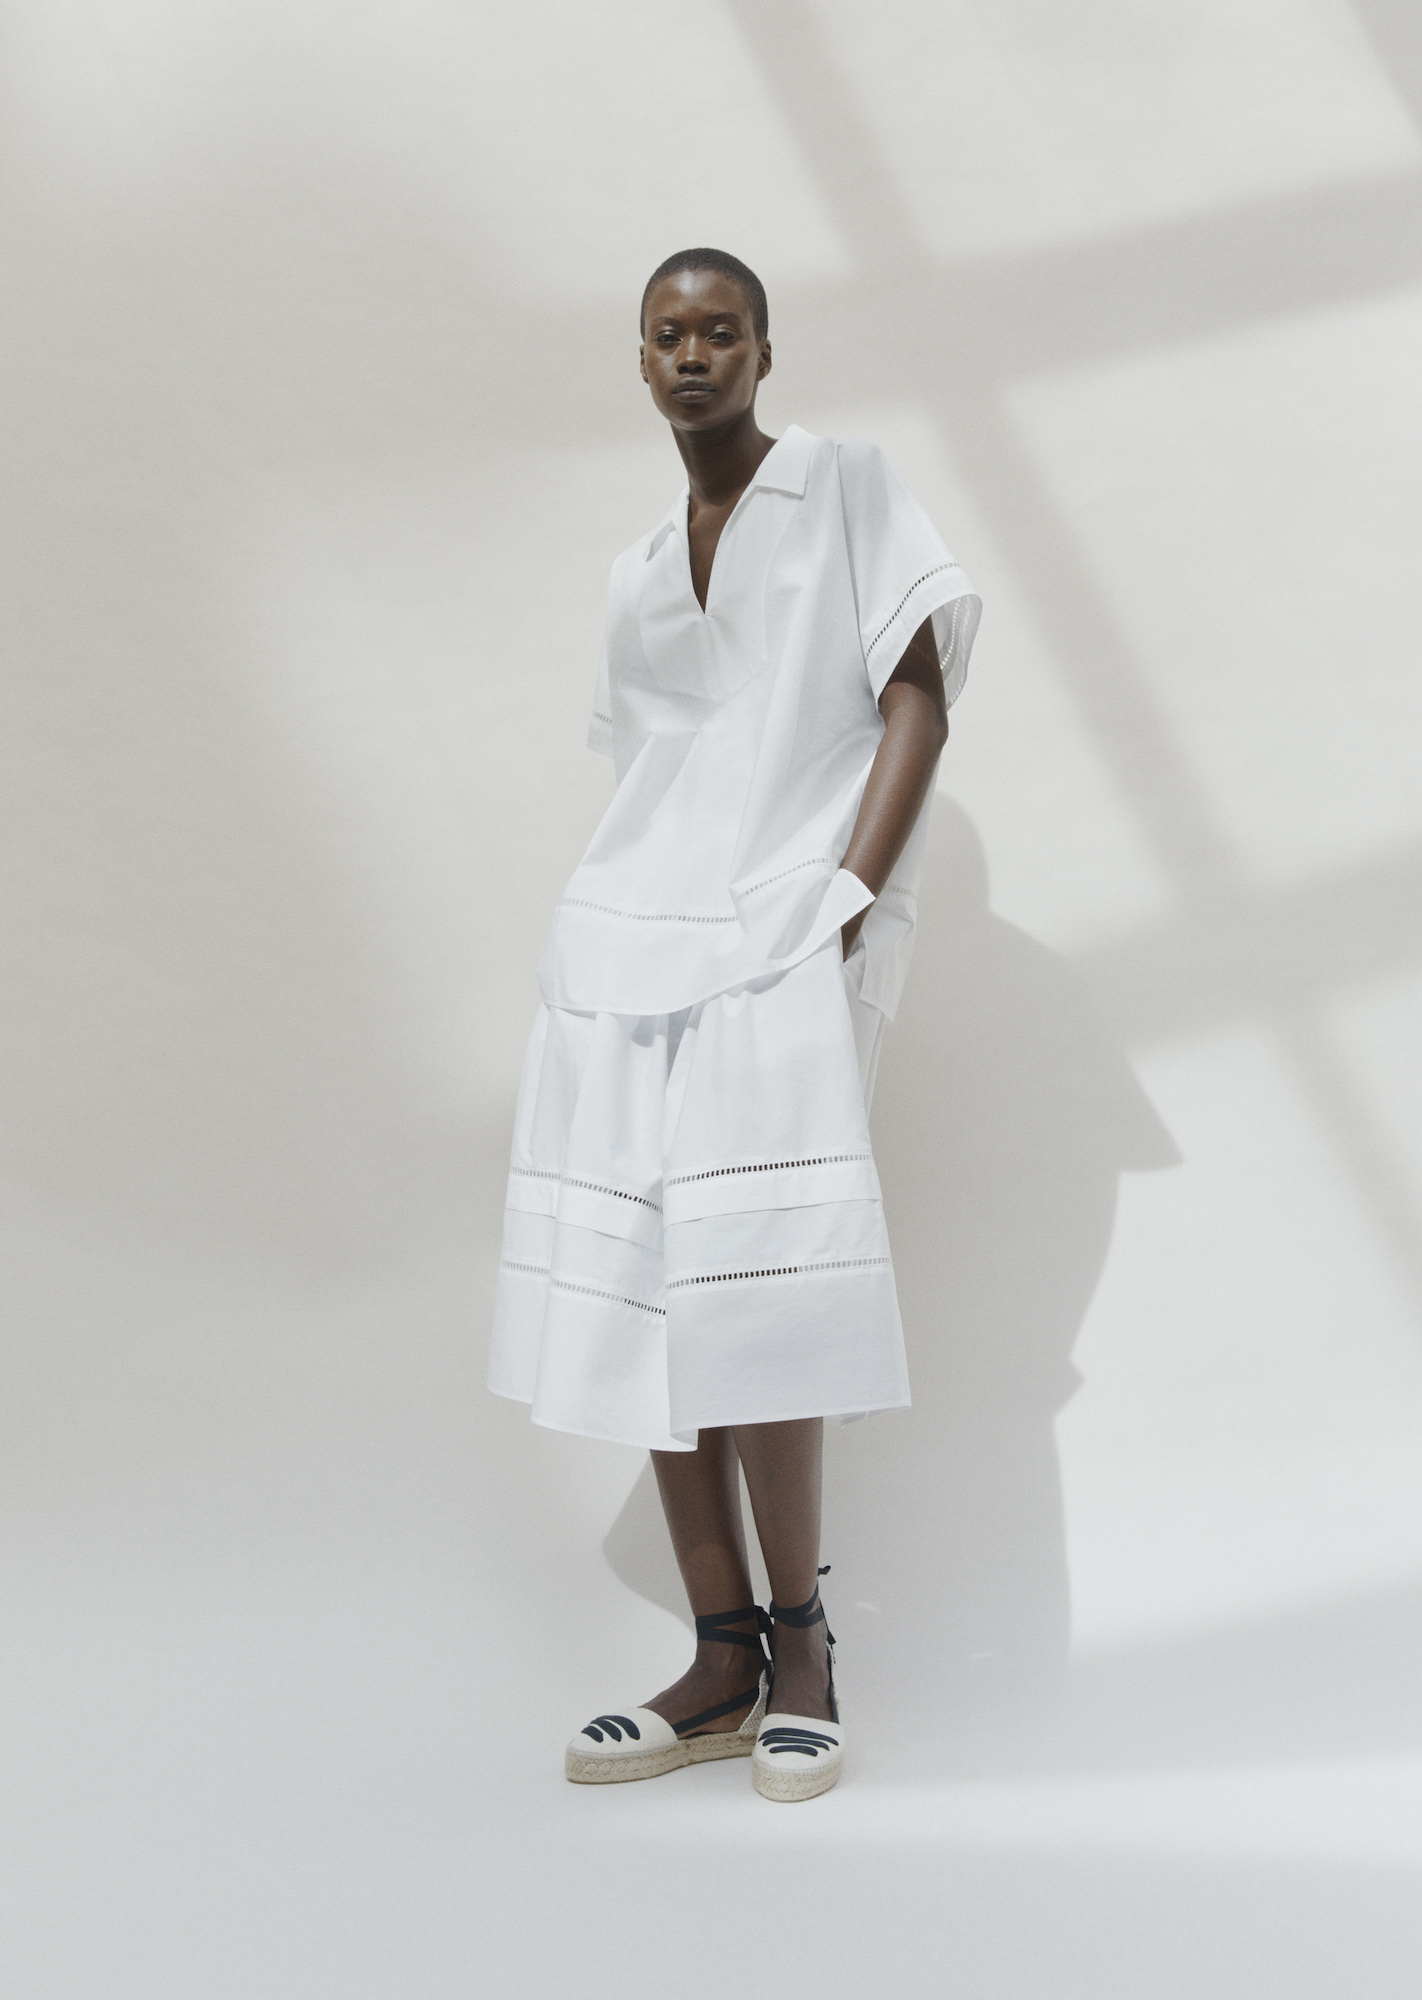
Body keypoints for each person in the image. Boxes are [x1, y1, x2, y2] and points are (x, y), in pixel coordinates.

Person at [489, 247, 979, 1801]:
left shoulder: (844, 487)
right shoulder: (637, 569)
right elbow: (653, 773)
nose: (694, 354)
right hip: (625, 952)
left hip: (778, 942)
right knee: (643, 1286)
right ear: (640, 363)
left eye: (721, 331)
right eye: (668, 334)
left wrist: (847, 894)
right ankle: (717, 1661)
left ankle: (803, 1650)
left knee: (761, 1287)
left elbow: (917, 689)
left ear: (766, 350)